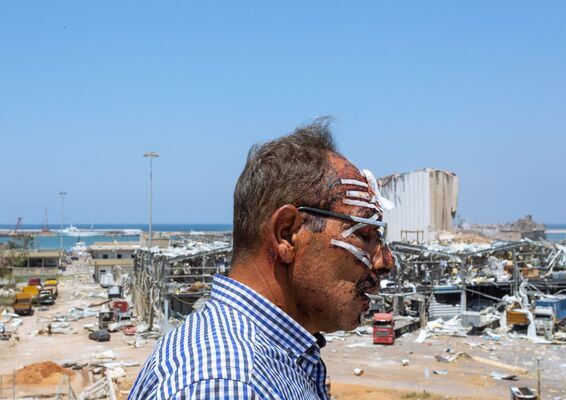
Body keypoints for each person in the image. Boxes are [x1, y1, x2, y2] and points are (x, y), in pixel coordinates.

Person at [129, 120, 395, 399]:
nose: (385, 261)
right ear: (287, 234)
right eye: (364, 235)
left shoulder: (265, 360)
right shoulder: (230, 383)